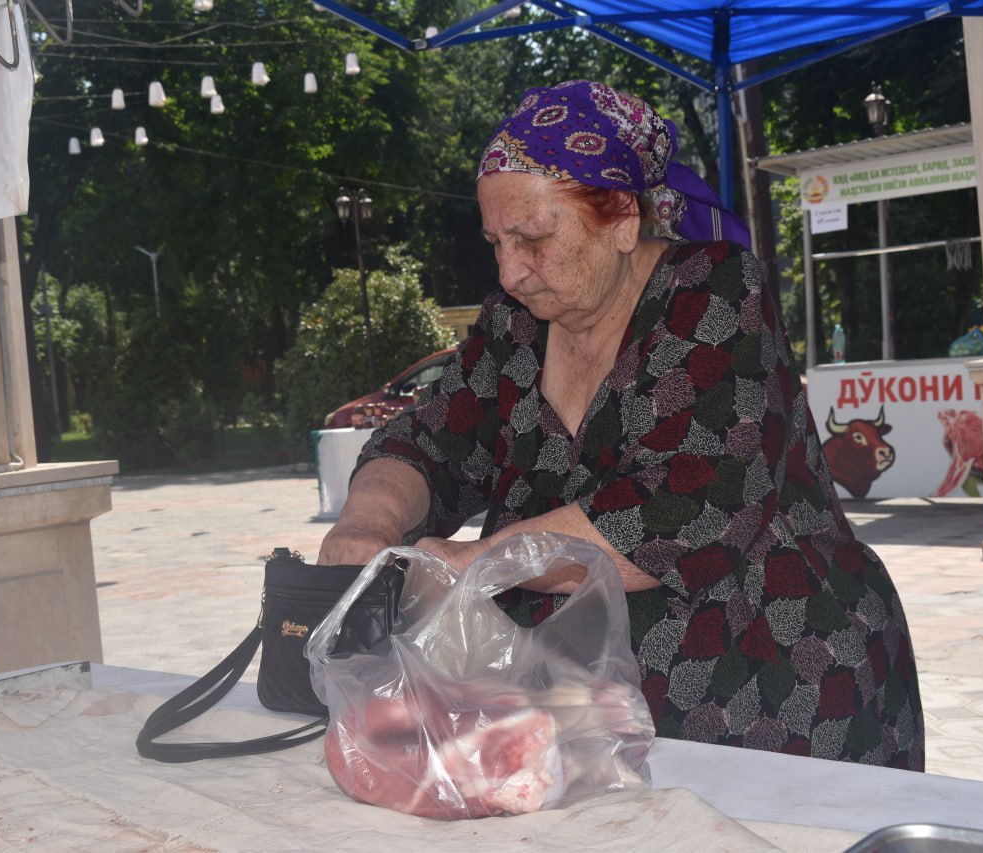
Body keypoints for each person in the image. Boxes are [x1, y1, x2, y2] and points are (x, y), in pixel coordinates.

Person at [318, 80, 924, 770]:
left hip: (773, 695)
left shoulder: (716, 291)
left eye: (533, 238)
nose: (510, 272)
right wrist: (367, 524)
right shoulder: (515, 327)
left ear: (624, 221)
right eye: (495, 242)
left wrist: (474, 564)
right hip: (576, 721)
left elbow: (681, 508)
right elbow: (427, 440)